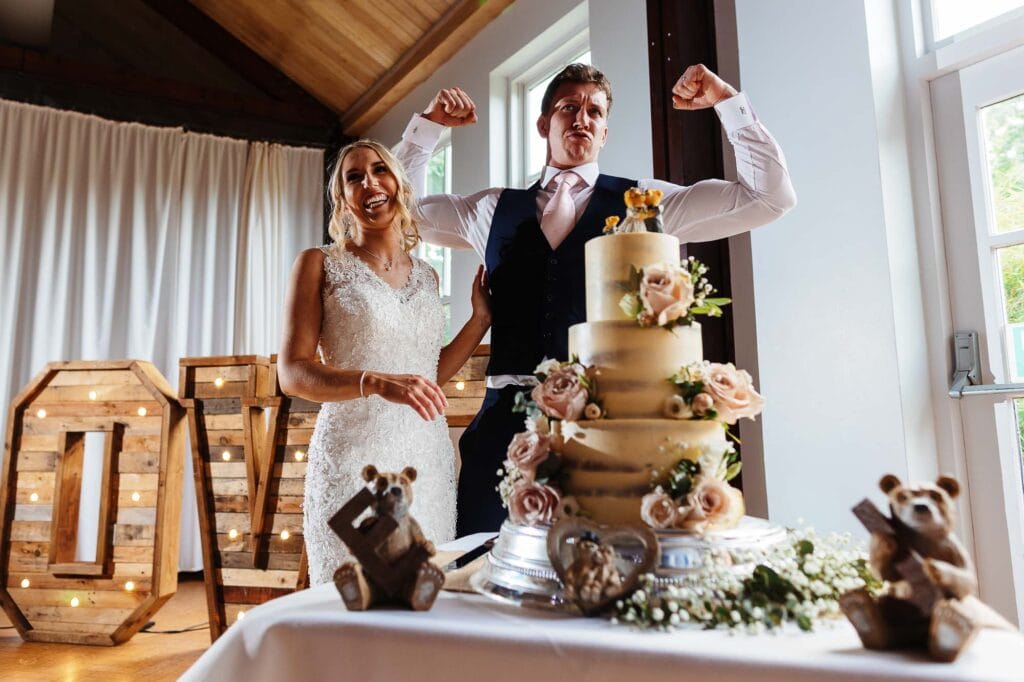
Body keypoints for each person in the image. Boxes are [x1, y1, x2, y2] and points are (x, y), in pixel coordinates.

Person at [395, 62, 797, 537]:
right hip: (502, 429)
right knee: (482, 559)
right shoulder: (490, 207)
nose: (582, 118)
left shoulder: (647, 203)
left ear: (605, 131)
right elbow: (400, 213)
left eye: (595, 111)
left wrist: (728, 103)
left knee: (600, 560)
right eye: (569, 108)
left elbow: (768, 198)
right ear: (544, 124)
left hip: (606, 429)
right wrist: (428, 128)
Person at [278, 139, 491, 586]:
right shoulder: (319, 263)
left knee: (423, 596)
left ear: (399, 183)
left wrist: (478, 321)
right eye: (354, 177)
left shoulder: (427, 275)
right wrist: (375, 382)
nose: (370, 183)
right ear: (342, 199)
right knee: (355, 594)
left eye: (380, 170)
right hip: (353, 459)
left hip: (425, 459)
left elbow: (428, 374)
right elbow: (293, 373)